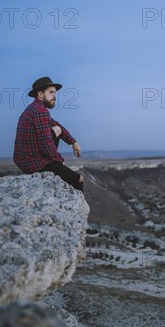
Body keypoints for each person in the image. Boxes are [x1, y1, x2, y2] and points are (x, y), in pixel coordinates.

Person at [13, 76, 99, 236]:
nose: (55, 96)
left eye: (55, 93)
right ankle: (82, 226)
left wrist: (73, 142)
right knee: (78, 179)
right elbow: (46, 145)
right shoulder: (39, 112)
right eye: (51, 92)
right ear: (40, 94)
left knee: (56, 128)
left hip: (27, 160)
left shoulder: (36, 109)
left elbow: (57, 126)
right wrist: (59, 163)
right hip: (35, 163)